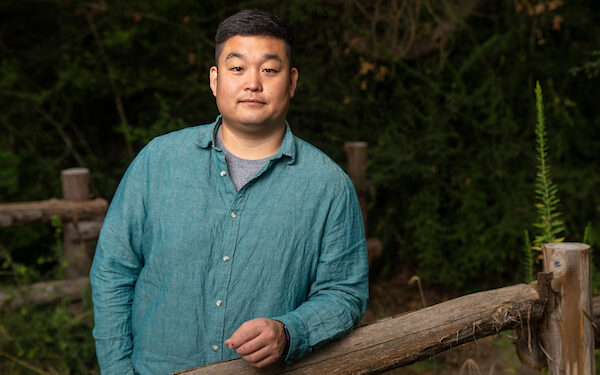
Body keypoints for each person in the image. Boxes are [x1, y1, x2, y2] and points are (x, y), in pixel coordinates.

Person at [90, 9, 368, 375]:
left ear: (292, 82)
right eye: (237, 68)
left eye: (270, 69)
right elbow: (113, 272)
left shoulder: (328, 186)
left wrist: (289, 332)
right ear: (214, 79)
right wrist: (117, 371)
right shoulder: (157, 161)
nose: (253, 82)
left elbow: (344, 294)